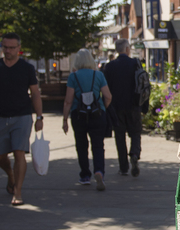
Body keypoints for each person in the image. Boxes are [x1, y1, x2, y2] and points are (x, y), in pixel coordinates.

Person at [0, 33, 43, 206]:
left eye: (12, 48)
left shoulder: (27, 68)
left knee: (19, 152)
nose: (8, 51)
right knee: (0, 157)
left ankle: (18, 192)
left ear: (19, 49)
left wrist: (39, 116)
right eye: (5, 47)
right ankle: (11, 175)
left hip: (22, 116)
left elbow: (35, 93)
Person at [62, 48, 112, 190]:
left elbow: (68, 101)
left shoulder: (73, 77)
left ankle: (85, 175)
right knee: (98, 145)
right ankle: (99, 171)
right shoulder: (99, 75)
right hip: (97, 115)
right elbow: (108, 96)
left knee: (81, 145)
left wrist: (65, 120)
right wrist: (103, 107)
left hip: (79, 116)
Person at [102, 39, 145, 177]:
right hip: (134, 105)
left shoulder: (109, 66)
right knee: (135, 133)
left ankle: (123, 167)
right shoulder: (135, 63)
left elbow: (105, 88)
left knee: (119, 137)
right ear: (127, 49)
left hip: (116, 107)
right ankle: (134, 153)